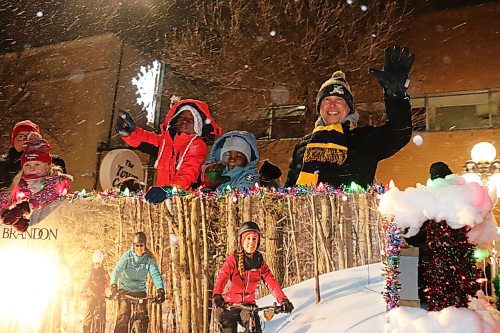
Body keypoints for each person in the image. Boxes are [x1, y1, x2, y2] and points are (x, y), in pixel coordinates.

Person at [285, 45, 415, 188]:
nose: (332, 105)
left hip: (351, 209)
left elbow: (399, 132)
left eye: (339, 100)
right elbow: (290, 188)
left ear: (349, 108)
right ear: (319, 108)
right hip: (308, 210)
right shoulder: (303, 145)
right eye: (326, 100)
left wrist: (395, 95)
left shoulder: (363, 138)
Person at [115, 99, 222, 204]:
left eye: (191, 119)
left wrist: (170, 190)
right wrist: (131, 132)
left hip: (183, 202)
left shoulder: (197, 145)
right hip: (162, 198)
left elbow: (189, 173)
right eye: (181, 117)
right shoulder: (166, 141)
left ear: (197, 125)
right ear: (175, 120)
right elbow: (147, 139)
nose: (185, 121)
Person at [212, 221, 294, 333]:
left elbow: (271, 282)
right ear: (242, 240)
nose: (251, 242)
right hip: (227, 306)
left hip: (247, 306)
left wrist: (283, 300)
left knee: (255, 329)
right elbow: (222, 277)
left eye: (254, 239)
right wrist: (217, 295)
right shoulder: (233, 260)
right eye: (248, 238)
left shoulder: (259, 262)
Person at [0, 133, 71, 232]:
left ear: (47, 166)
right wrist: (6, 214)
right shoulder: (20, 186)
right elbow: (4, 198)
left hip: (56, 227)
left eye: (37, 164)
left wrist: (25, 207)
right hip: (34, 236)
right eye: (27, 165)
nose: (32, 168)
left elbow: (50, 192)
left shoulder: (57, 181)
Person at [109, 232, 165, 333]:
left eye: (141, 245)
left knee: (143, 317)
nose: (139, 248)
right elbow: (116, 271)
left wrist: (160, 290)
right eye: (137, 245)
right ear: (133, 246)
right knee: (123, 315)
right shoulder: (127, 256)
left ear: (145, 246)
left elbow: (156, 274)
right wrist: (113, 286)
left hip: (139, 291)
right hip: (125, 290)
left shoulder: (149, 259)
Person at [0, 120, 66, 190]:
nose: (25, 140)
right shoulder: (3, 164)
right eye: (20, 136)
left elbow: (61, 185)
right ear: (14, 140)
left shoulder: (54, 161)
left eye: (29, 136)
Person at [82, 250, 109, 333]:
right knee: (88, 315)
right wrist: (84, 291)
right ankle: (86, 331)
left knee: (103, 318)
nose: (97, 265)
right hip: (92, 296)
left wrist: (111, 291)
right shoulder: (90, 273)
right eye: (96, 263)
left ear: (101, 263)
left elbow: (109, 283)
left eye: (99, 263)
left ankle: (102, 330)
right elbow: (86, 282)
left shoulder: (104, 273)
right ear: (93, 263)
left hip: (101, 296)